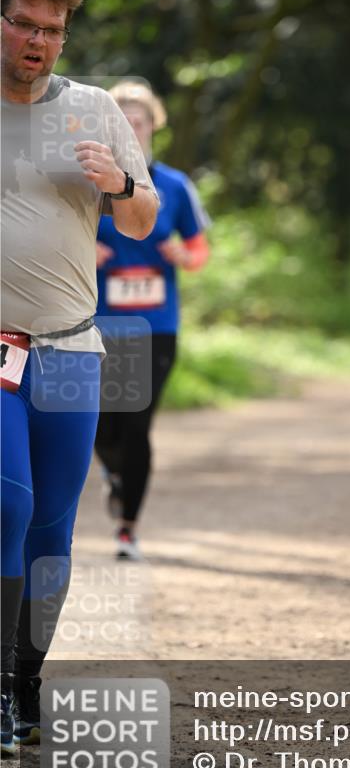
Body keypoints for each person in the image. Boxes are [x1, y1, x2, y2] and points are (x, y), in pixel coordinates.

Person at [0, 0, 159, 755]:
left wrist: (121, 186)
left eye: (51, 30)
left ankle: (24, 685)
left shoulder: (92, 109)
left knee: (54, 533)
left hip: (69, 349)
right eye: (23, 23)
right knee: (8, 506)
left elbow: (142, 219)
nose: (37, 41)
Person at [94, 81, 210, 561]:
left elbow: (200, 250)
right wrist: (85, 251)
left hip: (156, 325)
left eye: (138, 120)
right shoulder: (88, 181)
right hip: (96, 322)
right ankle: (116, 475)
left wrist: (183, 255)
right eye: (121, 119)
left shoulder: (176, 185)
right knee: (100, 429)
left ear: (152, 126)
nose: (130, 127)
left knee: (137, 425)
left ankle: (127, 528)